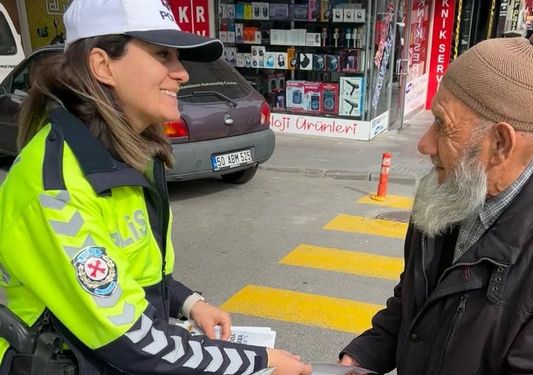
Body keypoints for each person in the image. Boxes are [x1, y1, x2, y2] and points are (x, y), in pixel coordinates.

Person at [0, 1, 313, 374]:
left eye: (177, 57)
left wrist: (188, 302)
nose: (181, 73)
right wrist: (257, 362)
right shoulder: (57, 188)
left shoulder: (122, 154)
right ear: (102, 65)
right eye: (162, 55)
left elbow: (135, 274)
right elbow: (129, 340)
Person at [339, 36, 533, 375]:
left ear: (500, 144)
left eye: (444, 125)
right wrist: (363, 357)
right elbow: (415, 301)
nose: (424, 144)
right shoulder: (450, 188)